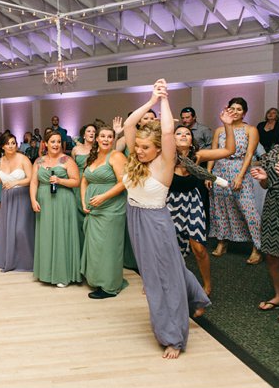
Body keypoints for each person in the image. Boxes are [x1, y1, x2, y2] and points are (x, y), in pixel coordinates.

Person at [120, 79, 210, 359]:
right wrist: (149, 99)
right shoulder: (139, 160)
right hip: (134, 217)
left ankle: (172, 337)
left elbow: (169, 130)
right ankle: (197, 298)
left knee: (163, 280)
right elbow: (128, 126)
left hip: (155, 222)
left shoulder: (164, 161)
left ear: (160, 148)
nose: (139, 150)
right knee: (163, 272)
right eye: (139, 147)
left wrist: (164, 99)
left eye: (146, 147)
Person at [170, 126, 230, 296]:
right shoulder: (165, 156)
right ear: (171, 138)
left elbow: (228, 150)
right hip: (170, 203)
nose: (183, 136)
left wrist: (228, 125)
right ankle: (167, 282)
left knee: (199, 248)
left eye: (187, 134)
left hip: (192, 202)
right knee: (171, 247)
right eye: (179, 133)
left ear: (192, 140)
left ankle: (207, 285)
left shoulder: (198, 156)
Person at [209, 98, 263, 264]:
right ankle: (222, 241)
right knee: (220, 208)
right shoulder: (219, 130)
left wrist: (240, 176)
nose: (235, 111)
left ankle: (257, 246)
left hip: (240, 169)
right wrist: (209, 173)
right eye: (232, 108)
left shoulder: (250, 129)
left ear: (244, 112)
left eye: (239, 109)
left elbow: (249, 154)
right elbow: (214, 151)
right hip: (220, 170)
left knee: (248, 210)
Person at [249, 125, 279, 324]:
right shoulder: (276, 151)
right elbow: (266, 184)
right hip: (273, 205)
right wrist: (263, 179)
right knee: (272, 254)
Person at [80, 127, 130, 299]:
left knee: (108, 246)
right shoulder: (92, 157)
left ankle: (109, 286)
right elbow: (84, 180)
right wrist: (83, 200)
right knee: (96, 246)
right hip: (94, 208)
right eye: (103, 136)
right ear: (96, 139)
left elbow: (124, 182)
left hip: (112, 207)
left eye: (110, 136)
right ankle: (96, 279)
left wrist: (103, 197)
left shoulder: (116, 156)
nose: (106, 139)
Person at [30, 132, 84, 287]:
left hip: (63, 200)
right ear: (45, 143)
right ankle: (45, 272)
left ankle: (63, 274)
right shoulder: (39, 161)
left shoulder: (67, 160)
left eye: (58, 142)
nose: (56, 144)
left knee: (62, 234)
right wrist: (33, 199)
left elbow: (76, 181)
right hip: (44, 200)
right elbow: (34, 182)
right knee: (46, 234)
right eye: (52, 141)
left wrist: (60, 180)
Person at [0, 133, 36, 273]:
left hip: (22, 196)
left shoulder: (23, 159)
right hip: (7, 197)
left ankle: (27, 261)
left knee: (21, 229)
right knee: (8, 229)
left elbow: (31, 178)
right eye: (8, 143)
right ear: (2, 146)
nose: (11, 146)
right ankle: (10, 259)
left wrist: (15, 182)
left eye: (13, 143)